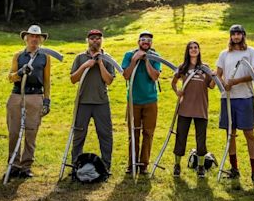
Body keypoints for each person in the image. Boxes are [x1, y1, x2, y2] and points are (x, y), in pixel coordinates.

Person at [216, 24, 254, 185]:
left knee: (249, 133)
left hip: (245, 97)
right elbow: (218, 74)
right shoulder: (224, 54)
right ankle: (234, 168)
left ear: (243, 35)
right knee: (230, 134)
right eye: (233, 34)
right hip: (227, 98)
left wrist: (236, 81)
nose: (236, 36)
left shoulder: (250, 52)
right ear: (230, 36)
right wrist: (224, 84)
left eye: (239, 34)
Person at [7, 25, 52, 178]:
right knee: (14, 132)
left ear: (40, 39)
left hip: (35, 96)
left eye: (37, 37)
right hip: (17, 95)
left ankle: (26, 167)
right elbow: (10, 77)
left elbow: (47, 81)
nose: (34, 39)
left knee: (31, 132)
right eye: (31, 36)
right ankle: (13, 165)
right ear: (26, 38)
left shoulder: (45, 57)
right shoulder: (18, 55)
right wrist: (20, 72)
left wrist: (46, 100)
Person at [69, 29, 115, 172]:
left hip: (101, 102)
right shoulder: (80, 58)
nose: (95, 41)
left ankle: (106, 165)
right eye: (92, 38)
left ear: (102, 40)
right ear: (87, 40)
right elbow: (73, 79)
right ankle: (76, 165)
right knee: (79, 135)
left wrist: (100, 63)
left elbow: (109, 80)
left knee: (105, 134)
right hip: (83, 102)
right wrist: (84, 66)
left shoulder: (108, 59)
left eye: (98, 38)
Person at [171, 41, 216, 178]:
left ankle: (201, 167)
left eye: (195, 47)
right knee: (180, 137)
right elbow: (173, 83)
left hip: (201, 109)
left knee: (201, 139)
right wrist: (177, 91)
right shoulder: (182, 67)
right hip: (185, 109)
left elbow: (212, 86)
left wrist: (216, 76)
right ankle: (177, 165)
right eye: (191, 48)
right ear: (187, 51)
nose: (193, 49)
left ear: (199, 50)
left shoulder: (205, 68)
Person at [121, 31, 162, 174]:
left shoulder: (155, 57)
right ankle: (132, 163)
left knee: (148, 132)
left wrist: (146, 61)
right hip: (134, 101)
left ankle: (144, 164)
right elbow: (126, 75)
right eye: (143, 40)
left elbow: (155, 76)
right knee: (133, 133)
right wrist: (134, 60)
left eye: (149, 40)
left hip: (150, 100)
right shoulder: (129, 55)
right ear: (138, 41)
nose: (146, 42)